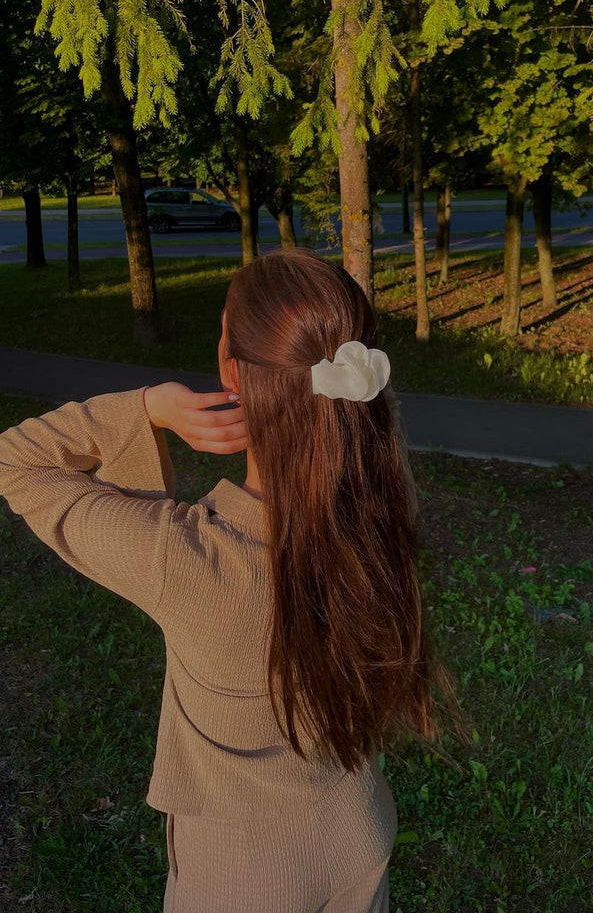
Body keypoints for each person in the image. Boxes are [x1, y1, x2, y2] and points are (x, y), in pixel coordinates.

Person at [0, 249, 445, 912]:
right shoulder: (382, 515)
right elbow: (368, 435)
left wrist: (148, 407)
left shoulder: (185, 559)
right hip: (356, 825)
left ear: (231, 370)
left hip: (242, 876)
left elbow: (16, 460)